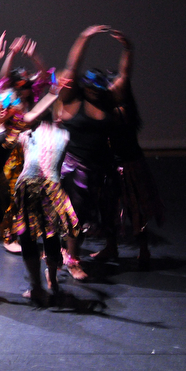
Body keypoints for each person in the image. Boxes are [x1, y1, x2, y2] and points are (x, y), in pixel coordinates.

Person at [0, 32, 60, 303]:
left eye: (9, 107)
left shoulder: (13, 130)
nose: (4, 108)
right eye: (2, 106)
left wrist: (54, 92)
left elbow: (39, 107)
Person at [100, 30, 165, 269]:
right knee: (107, 207)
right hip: (111, 164)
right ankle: (111, 246)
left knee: (136, 209)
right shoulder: (106, 107)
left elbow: (125, 73)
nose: (113, 85)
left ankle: (144, 249)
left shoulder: (124, 110)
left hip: (130, 164)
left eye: (116, 83)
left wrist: (128, 49)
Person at [56, 25, 116, 281]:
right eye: (89, 87)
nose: (93, 91)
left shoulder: (104, 103)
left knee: (92, 216)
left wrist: (127, 50)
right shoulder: (72, 101)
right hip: (73, 170)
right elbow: (71, 69)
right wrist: (84, 37)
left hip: (99, 169)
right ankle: (72, 261)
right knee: (75, 216)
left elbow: (124, 77)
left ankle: (66, 252)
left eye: (97, 88)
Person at [12, 118, 79, 305]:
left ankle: (37, 286)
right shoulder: (63, 135)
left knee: (29, 238)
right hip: (50, 189)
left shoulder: (26, 135)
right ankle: (51, 280)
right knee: (51, 236)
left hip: (32, 188)